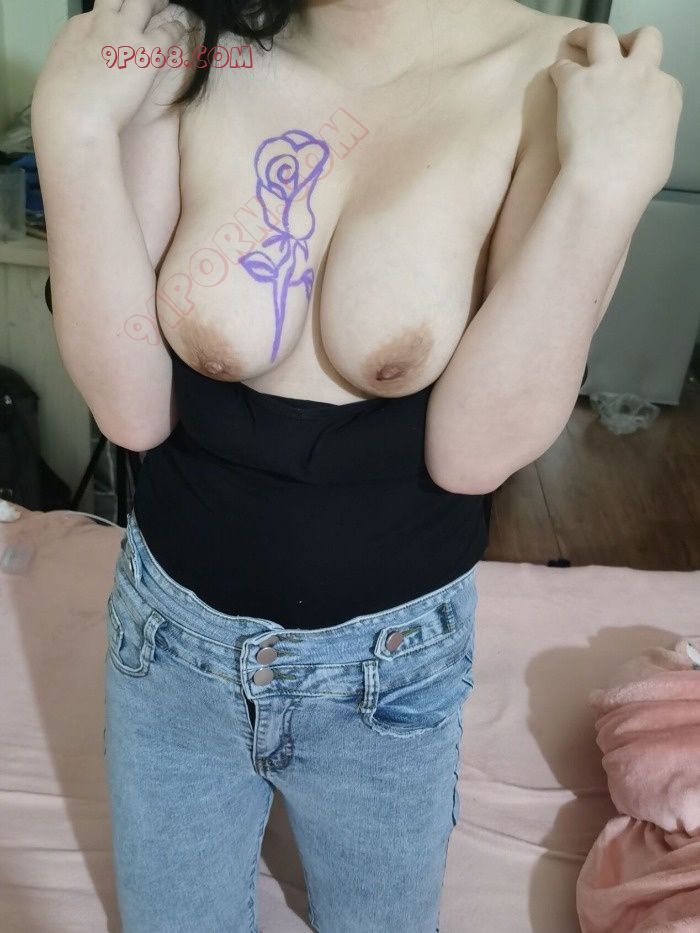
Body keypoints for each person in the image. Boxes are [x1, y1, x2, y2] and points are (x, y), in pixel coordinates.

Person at [31, 1, 682, 930]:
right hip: (167, 647)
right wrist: (74, 131)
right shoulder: (182, 40)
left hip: (390, 673)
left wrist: (602, 189)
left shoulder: (564, 78)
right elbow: (130, 410)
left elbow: (474, 455)